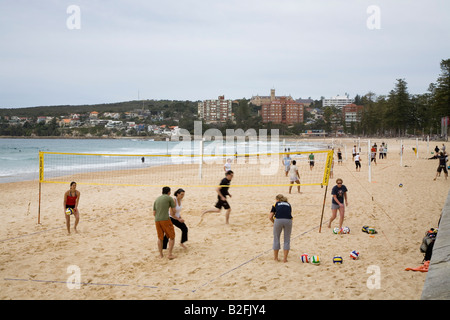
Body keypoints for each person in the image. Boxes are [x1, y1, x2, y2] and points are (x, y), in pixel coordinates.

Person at [153, 186, 177, 259]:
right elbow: (174, 211)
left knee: (160, 238)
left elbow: (154, 213)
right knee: (172, 237)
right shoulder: (169, 198)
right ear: (169, 192)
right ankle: (169, 254)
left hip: (157, 220)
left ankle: (161, 255)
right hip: (165, 219)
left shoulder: (157, 199)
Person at [269, 194, 293, 263]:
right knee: (287, 240)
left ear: (277, 199)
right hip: (288, 220)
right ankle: (285, 259)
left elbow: (270, 216)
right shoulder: (289, 204)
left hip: (278, 220)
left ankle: (276, 258)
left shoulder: (276, 204)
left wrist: (274, 223)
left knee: (276, 239)